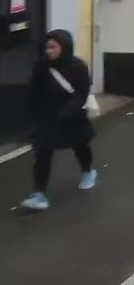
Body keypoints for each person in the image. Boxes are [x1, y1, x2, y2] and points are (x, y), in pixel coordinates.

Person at [20, 29, 97, 211]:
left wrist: (66, 113)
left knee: (80, 146)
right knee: (42, 152)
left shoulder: (78, 66)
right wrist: (32, 114)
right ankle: (39, 193)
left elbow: (81, 93)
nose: (49, 51)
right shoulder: (42, 66)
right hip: (47, 117)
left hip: (72, 116)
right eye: (47, 47)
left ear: (64, 47)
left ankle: (88, 172)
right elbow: (33, 89)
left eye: (53, 47)